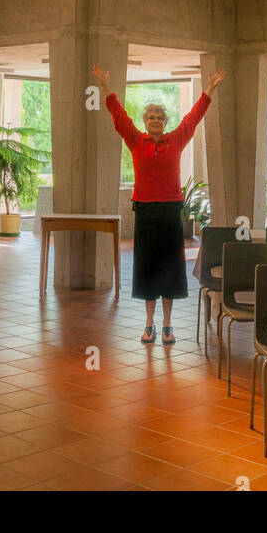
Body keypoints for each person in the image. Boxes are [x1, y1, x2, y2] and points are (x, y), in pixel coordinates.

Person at [92, 63, 227, 345]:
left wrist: (210, 89)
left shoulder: (176, 139)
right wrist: (106, 88)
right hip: (145, 212)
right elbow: (118, 117)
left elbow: (194, 116)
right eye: (151, 116)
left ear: (164, 121)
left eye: (159, 117)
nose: (154, 120)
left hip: (169, 212)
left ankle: (167, 326)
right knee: (147, 269)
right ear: (145, 121)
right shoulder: (135, 141)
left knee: (169, 269)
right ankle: (149, 324)